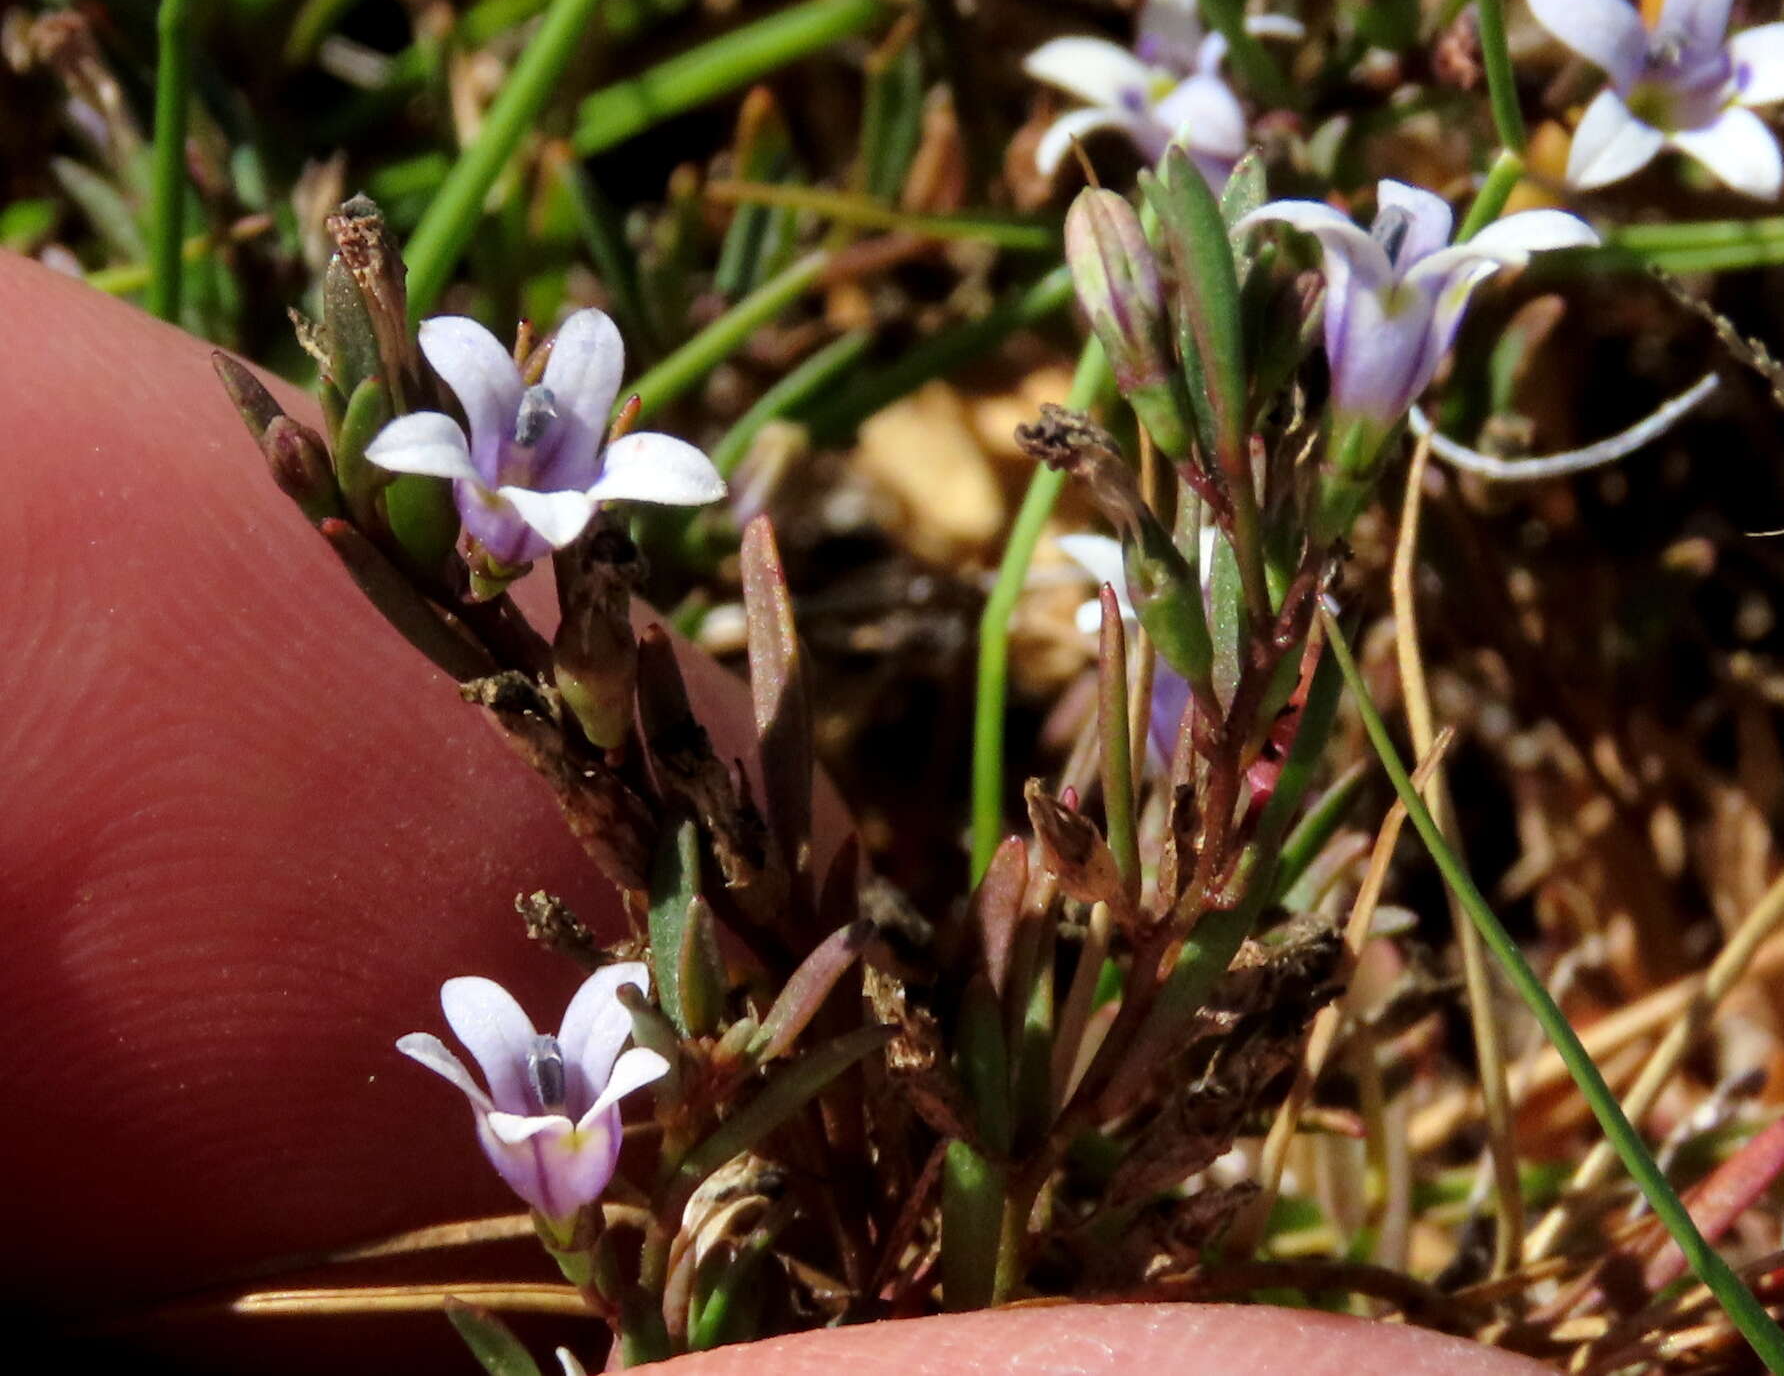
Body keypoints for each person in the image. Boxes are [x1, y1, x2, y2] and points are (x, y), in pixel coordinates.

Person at [0, 251, 1545, 1376]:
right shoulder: (464, 470)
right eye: (509, 456)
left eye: (547, 458)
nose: (531, 461)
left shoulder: (552, 487)